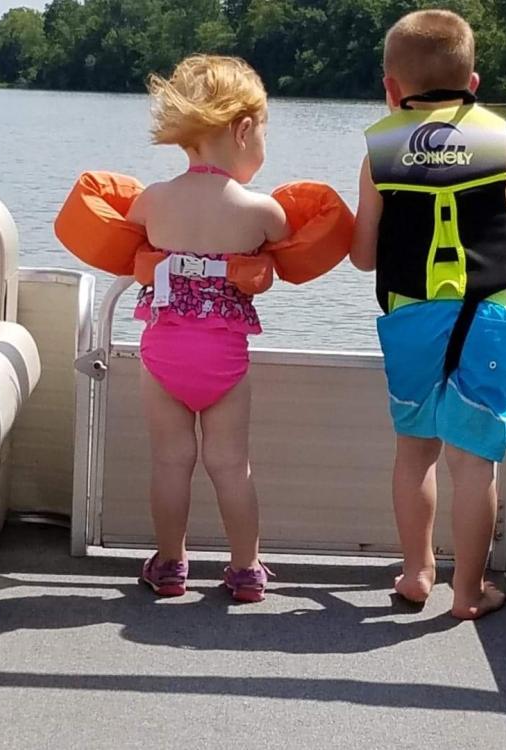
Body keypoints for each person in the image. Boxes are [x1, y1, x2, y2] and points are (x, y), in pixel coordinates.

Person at [350, 9, 506, 619]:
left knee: (415, 451)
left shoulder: (379, 149)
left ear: (390, 88)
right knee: (475, 460)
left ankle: (416, 572)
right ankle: (469, 591)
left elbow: (362, 255)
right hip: (490, 316)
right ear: (473, 83)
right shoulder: (503, 143)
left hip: (411, 317)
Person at [127, 54, 288, 601]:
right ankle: (246, 570)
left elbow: (128, 225)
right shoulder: (259, 210)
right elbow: (284, 233)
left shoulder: (153, 201)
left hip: (163, 352)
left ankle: (170, 565)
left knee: (171, 462)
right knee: (230, 465)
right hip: (223, 360)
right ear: (244, 130)